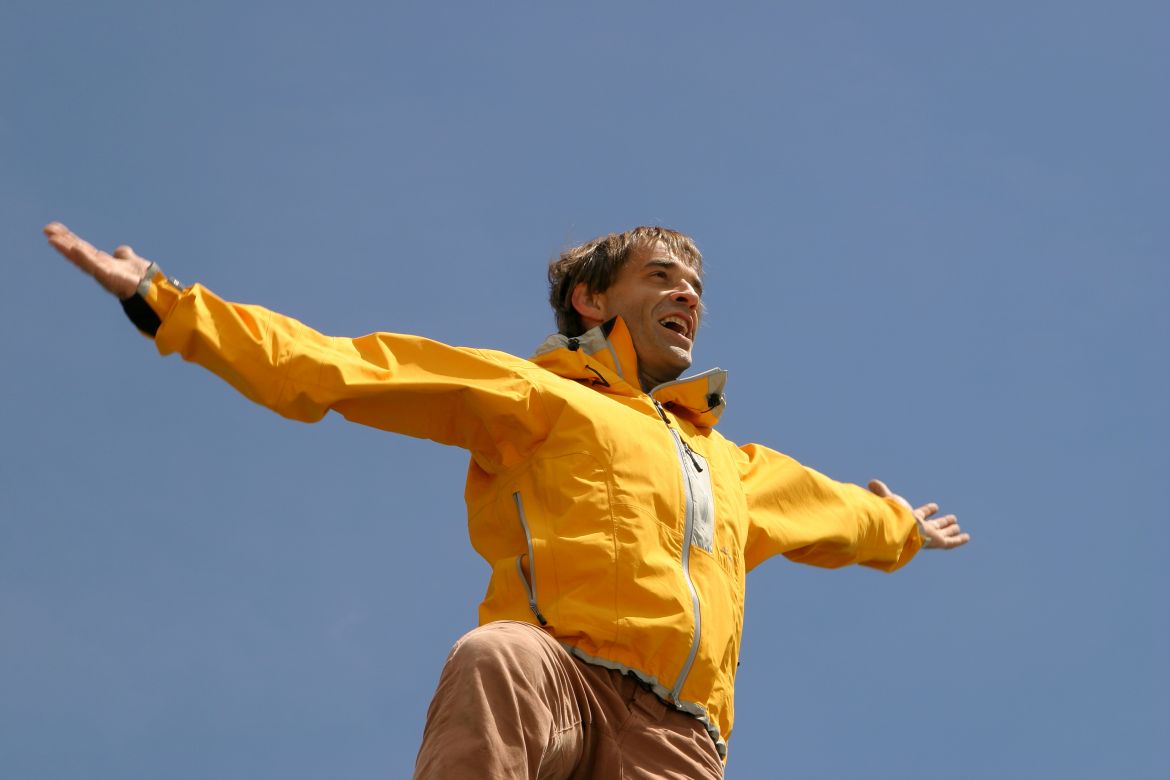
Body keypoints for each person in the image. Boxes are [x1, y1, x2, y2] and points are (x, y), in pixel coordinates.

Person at [44, 221, 969, 779]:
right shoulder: (538, 396)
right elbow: (343, 369)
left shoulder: (734, 466)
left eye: (695, 286)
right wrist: (169, 306)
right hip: (558, 683)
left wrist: (902, 528)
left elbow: (836, 512)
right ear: (592, 301)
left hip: (679, 739)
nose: (687, 293)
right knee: (495, 655)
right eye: (661, 276)